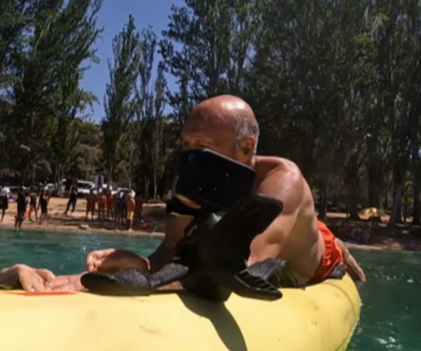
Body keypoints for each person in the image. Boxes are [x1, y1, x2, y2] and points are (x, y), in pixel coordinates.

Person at [85, 95, 367, 285]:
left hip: (314, 261)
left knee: (323, 243)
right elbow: (170, 250)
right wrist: (141, 265)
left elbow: (243, 264)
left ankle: (339, 246)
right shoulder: (195, 179)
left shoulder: (284, 180)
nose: (189, 157)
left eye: (202, 146)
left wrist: (152, 284)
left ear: (246, 148)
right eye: (186, 145)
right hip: (277, 239)